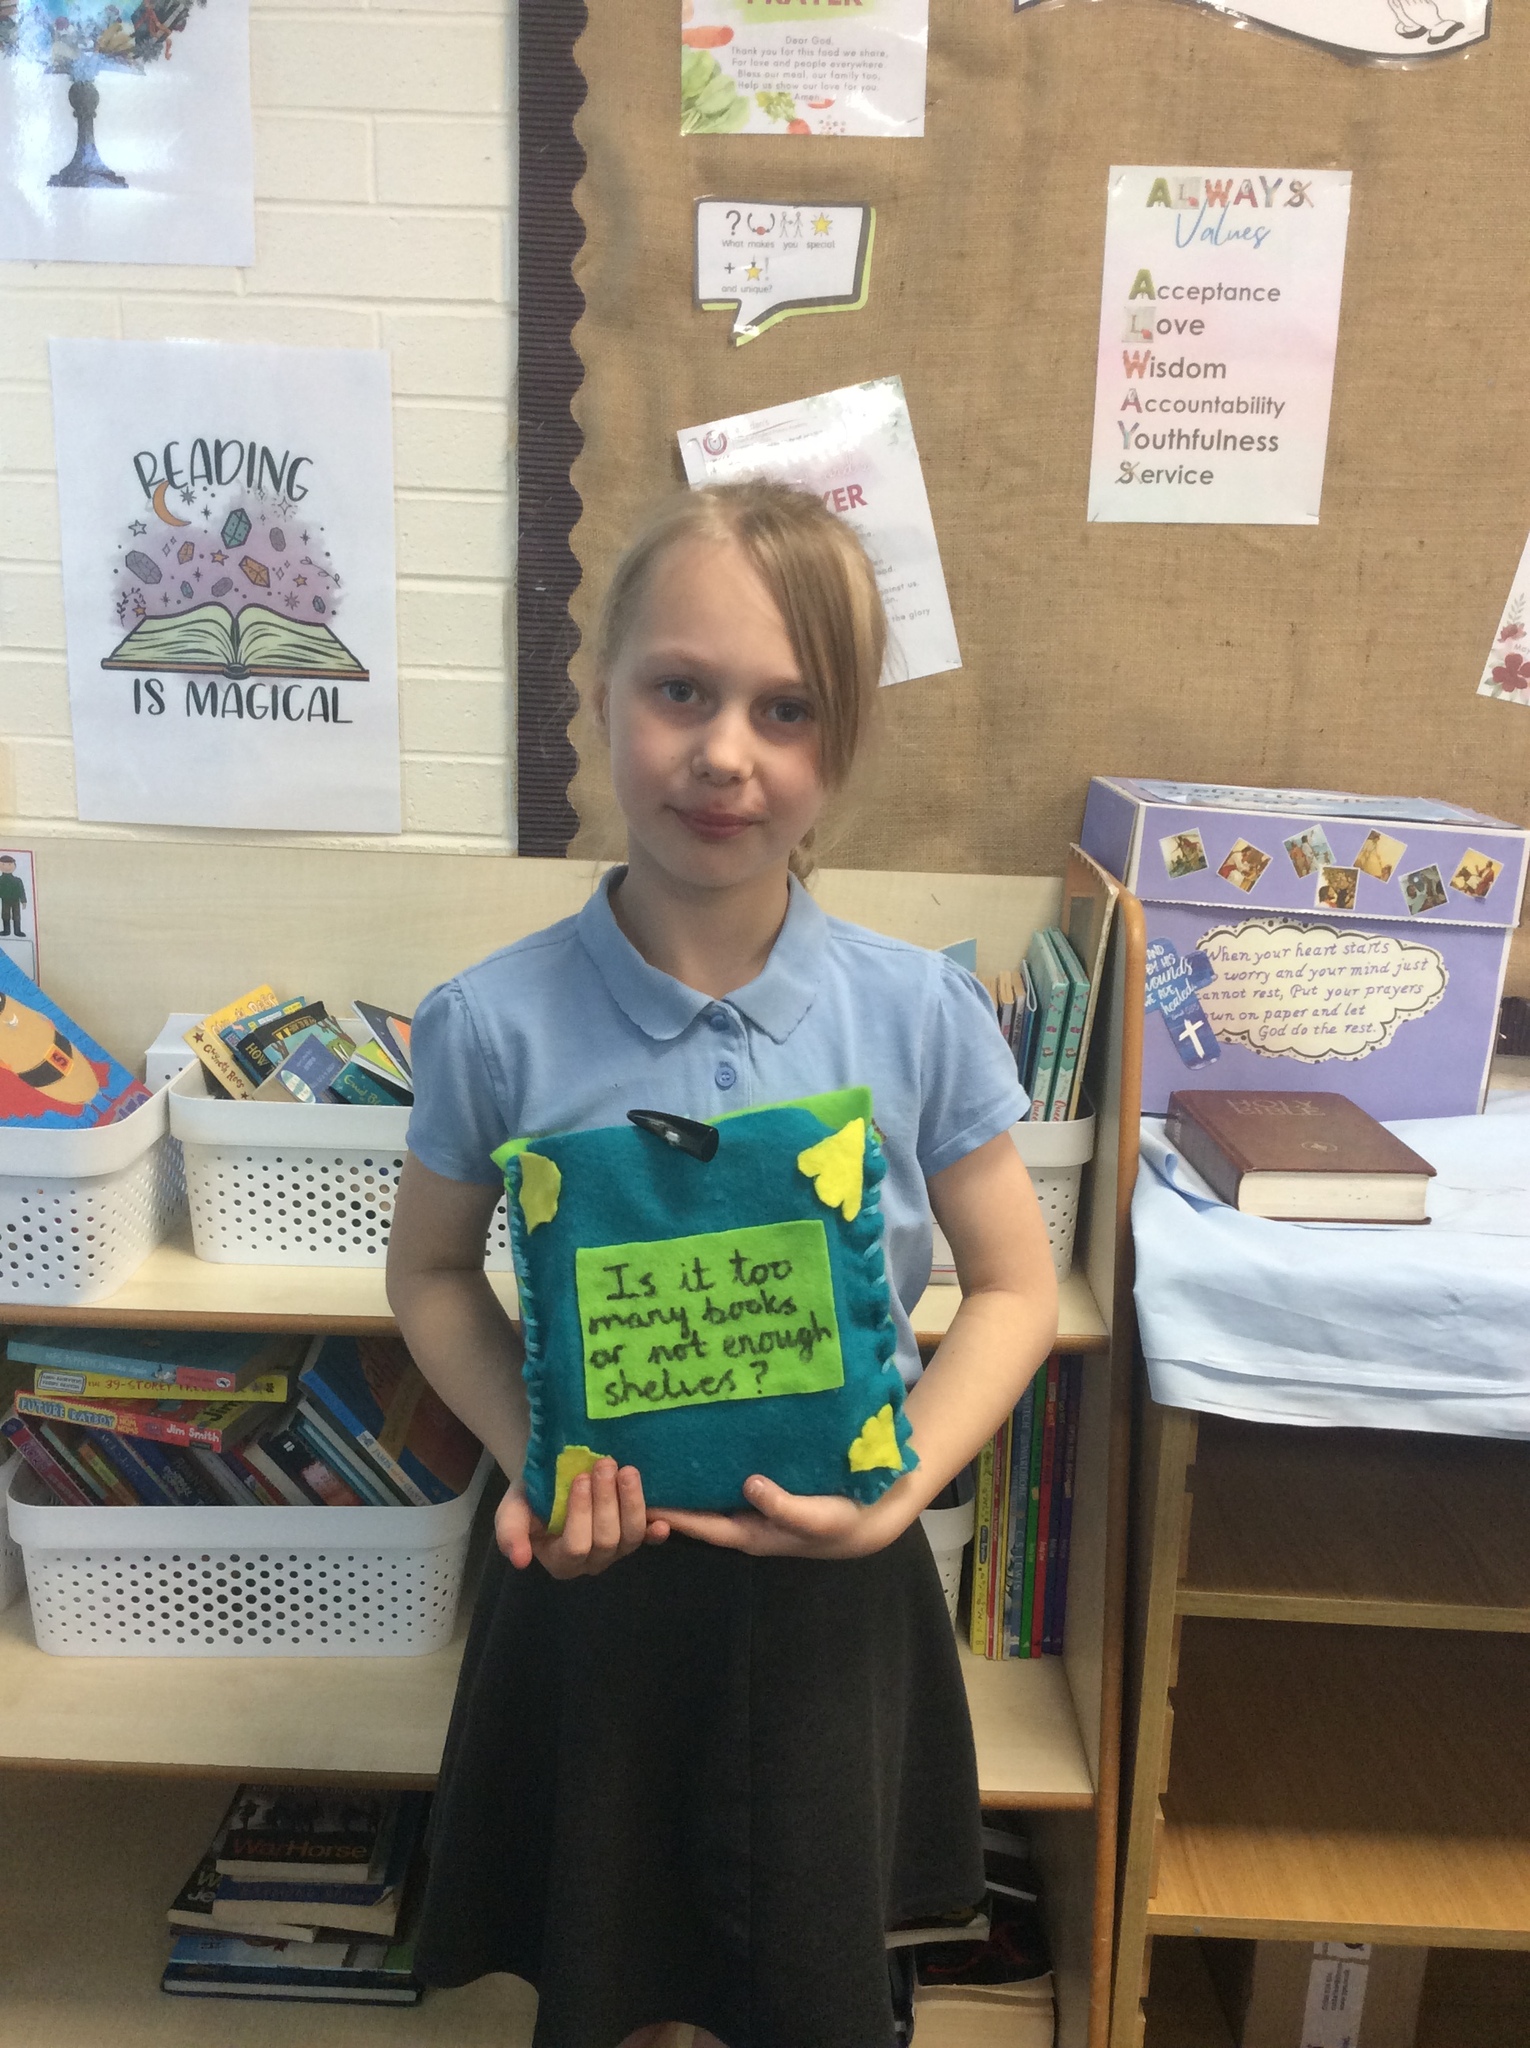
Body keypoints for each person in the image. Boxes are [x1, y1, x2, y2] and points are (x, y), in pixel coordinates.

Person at [386, 480, 1058, 2048]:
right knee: (611, 1975)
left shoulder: (917, 1013)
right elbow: (429, 1277)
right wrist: (536, 1456)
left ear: (842, 748)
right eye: (680, 691)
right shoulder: (489, 1021)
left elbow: (1016, 1288)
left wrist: (897, 1492)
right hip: (596, 1604)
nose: (724, 752)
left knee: (809, 1987)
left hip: (833, 1593)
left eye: (785, 709)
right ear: (599, 694)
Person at [0, 857, 26, 939]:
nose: (7, 867)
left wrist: (23, 901)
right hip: (5, 900)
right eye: (3, 864)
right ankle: (6, 931)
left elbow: (21, 890)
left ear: (14, 866)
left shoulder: (17, 880)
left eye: (9, 864)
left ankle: (17, 931)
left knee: (16, 915)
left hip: (15, 900)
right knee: (5, 915)